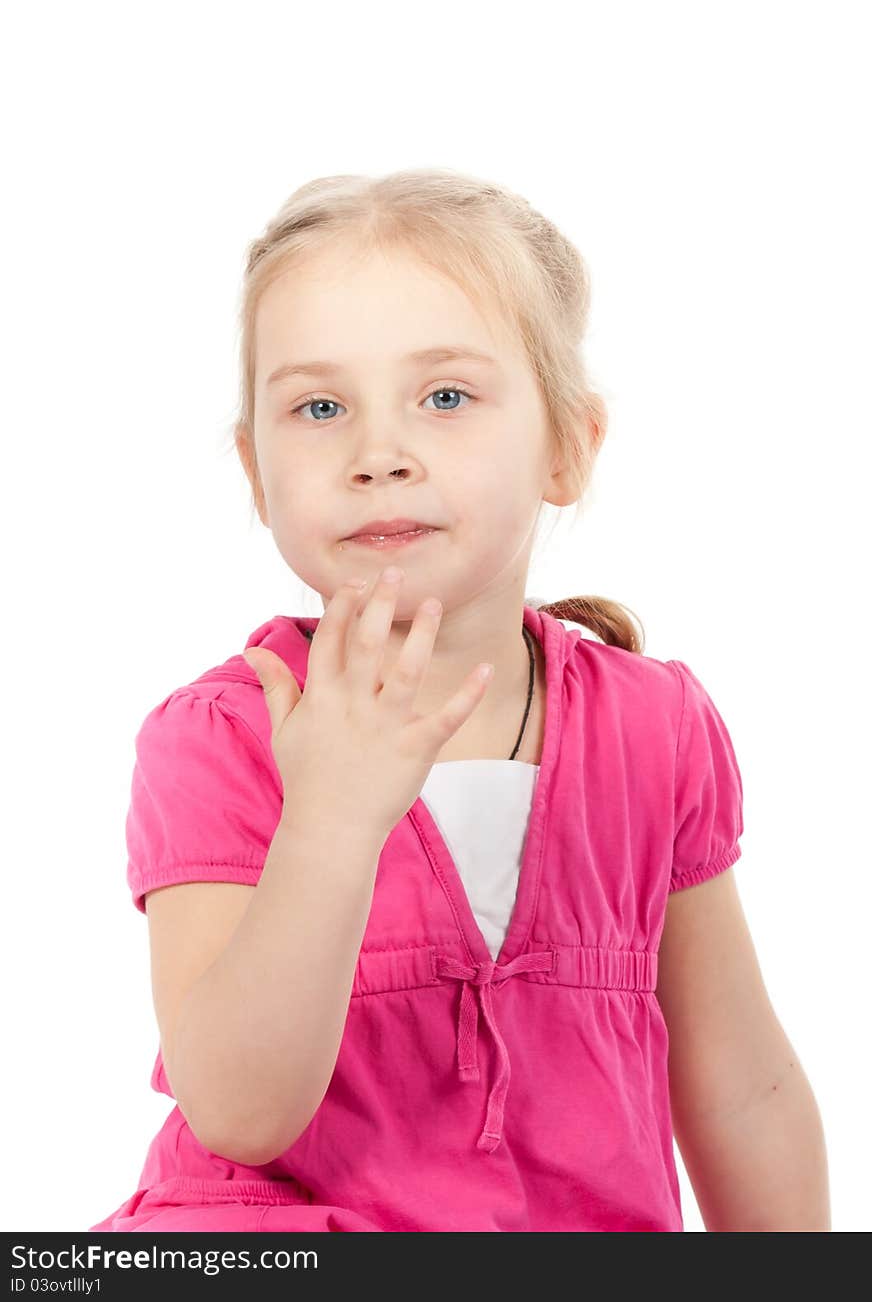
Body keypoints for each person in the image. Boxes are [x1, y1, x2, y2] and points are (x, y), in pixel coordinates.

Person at [89, 168, 830, 1233]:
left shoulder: (653, 730)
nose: (378, 456)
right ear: (257, 472)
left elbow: (741, 1083)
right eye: (319, 407)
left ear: (568, 446)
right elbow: (240, 1112)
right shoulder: (219, 738)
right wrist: (333, 817)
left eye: (444, 397)